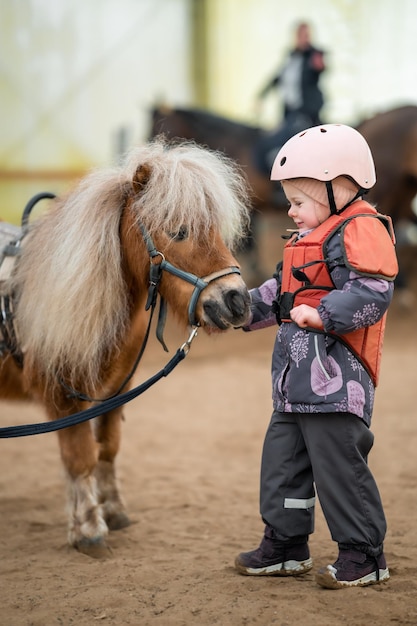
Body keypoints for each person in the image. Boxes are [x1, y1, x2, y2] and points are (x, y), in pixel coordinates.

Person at [236, 123, 399, 589]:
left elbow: (374, 291)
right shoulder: (302, 240)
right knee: (283, 463)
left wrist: (323, 314)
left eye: (299, 200)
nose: (291, 210)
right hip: (293, 382)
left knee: (339, 467)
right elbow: (278, 292)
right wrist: (238, 309)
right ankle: (285, 545)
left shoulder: (361, 229)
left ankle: (364, 554)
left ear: (339, 188)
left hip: (337, 378)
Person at [254, 22, 326, 176]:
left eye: (306, 35)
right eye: (301, 35)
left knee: (297, 139)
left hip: (306, 111)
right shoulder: (291, 57)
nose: (304, 39)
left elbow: (319, 69)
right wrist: (262, 95)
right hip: (290, 112)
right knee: (275, 138)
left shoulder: (314, 55)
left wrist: (318, 65)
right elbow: (278, 78)